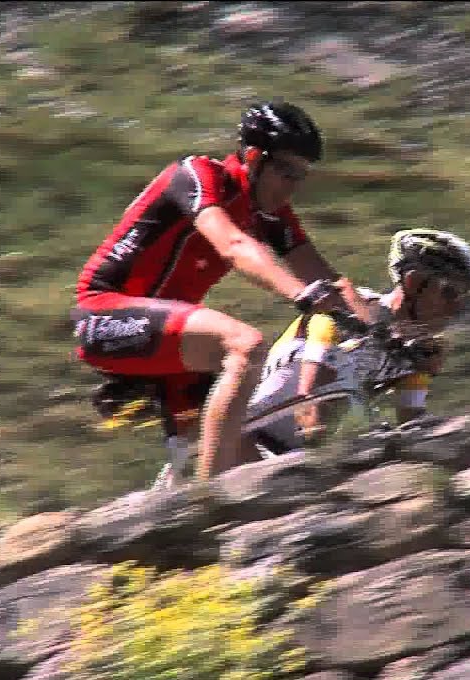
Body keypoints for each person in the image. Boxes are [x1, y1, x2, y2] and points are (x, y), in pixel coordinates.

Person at [71, 100, 368, 487]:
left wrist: (386, 331)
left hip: (170, 337)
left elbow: (327, 277)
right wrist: (301, 294)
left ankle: (194, 515)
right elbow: (233, 244)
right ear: (254, 157)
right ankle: (207, 504)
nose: (292, 186)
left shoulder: (272, 215)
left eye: (301, 176)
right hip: (102, 314)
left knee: (249, 467)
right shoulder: (199, 175)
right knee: (245, 345)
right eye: (286, 172)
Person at [245, 228, 470, 454]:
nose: (457, 306)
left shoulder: (412, 351)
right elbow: (309, 407)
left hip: (292, 449)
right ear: (413, 282)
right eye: (450, 292)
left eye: (463, 297)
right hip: (257, 433)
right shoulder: (342, 310)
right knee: (351, 382)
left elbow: (412, 420)